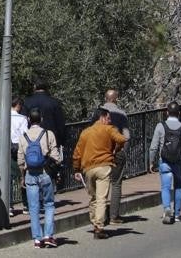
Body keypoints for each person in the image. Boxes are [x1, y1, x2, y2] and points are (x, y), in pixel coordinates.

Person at [72, 108, 127, 240]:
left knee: (93, 197)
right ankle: (99, 226)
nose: (109, 121)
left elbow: (77, 153)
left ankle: (94, 220)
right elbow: (122, 139)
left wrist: (76, 169)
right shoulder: (109, 129)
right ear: (102, 118)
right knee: (102, 198)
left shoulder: (85, 133)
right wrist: (115, 149)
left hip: (88, 169)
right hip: (104, 166)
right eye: (108, 118)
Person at [16, 107, 63, 248]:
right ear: (41, 119)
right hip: (46, 173)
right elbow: (56, 156)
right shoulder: (48, 134)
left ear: (29, 120)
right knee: (48, 204)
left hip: (30, 174)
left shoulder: (23, 137)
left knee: (34, 207)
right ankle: (48, 235)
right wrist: (57, 172)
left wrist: (22, 176)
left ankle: (37, 239)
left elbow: (20, 160)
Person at [149, 101, 181, 224]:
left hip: (165, 161)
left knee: (165, 187)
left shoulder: (160, 126)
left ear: (167, 112)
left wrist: (151, 162)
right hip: (179, 161)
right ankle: (177, 214)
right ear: (179, 113)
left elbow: (153, 147)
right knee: (178, 186)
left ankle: (167, 209)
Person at [0, 96, 29, 212]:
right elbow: (25, 135)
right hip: (20, 149)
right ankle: (26, 205)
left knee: (8, 178)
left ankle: (9, 206)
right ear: (18, 105)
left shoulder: (1, 118)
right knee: (23, 176)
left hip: (5, 150)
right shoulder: (22, 119)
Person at [100, 90, 131, 224]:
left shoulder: (98, 114)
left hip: (100, 151)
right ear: (115, 99)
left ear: (105, 98)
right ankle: (114, 216)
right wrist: (124, 151)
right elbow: (126, 136)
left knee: (101, 183)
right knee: (116, 183)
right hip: (116, 151)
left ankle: (100, 217)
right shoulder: (121, 114)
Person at [23, 81, 68, 160]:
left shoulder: (27, 102)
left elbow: (23, 122)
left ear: (34, 87)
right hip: (50, 140)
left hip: (31, 141)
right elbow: (60, 124)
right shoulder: (54, 102)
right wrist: (61, 141)